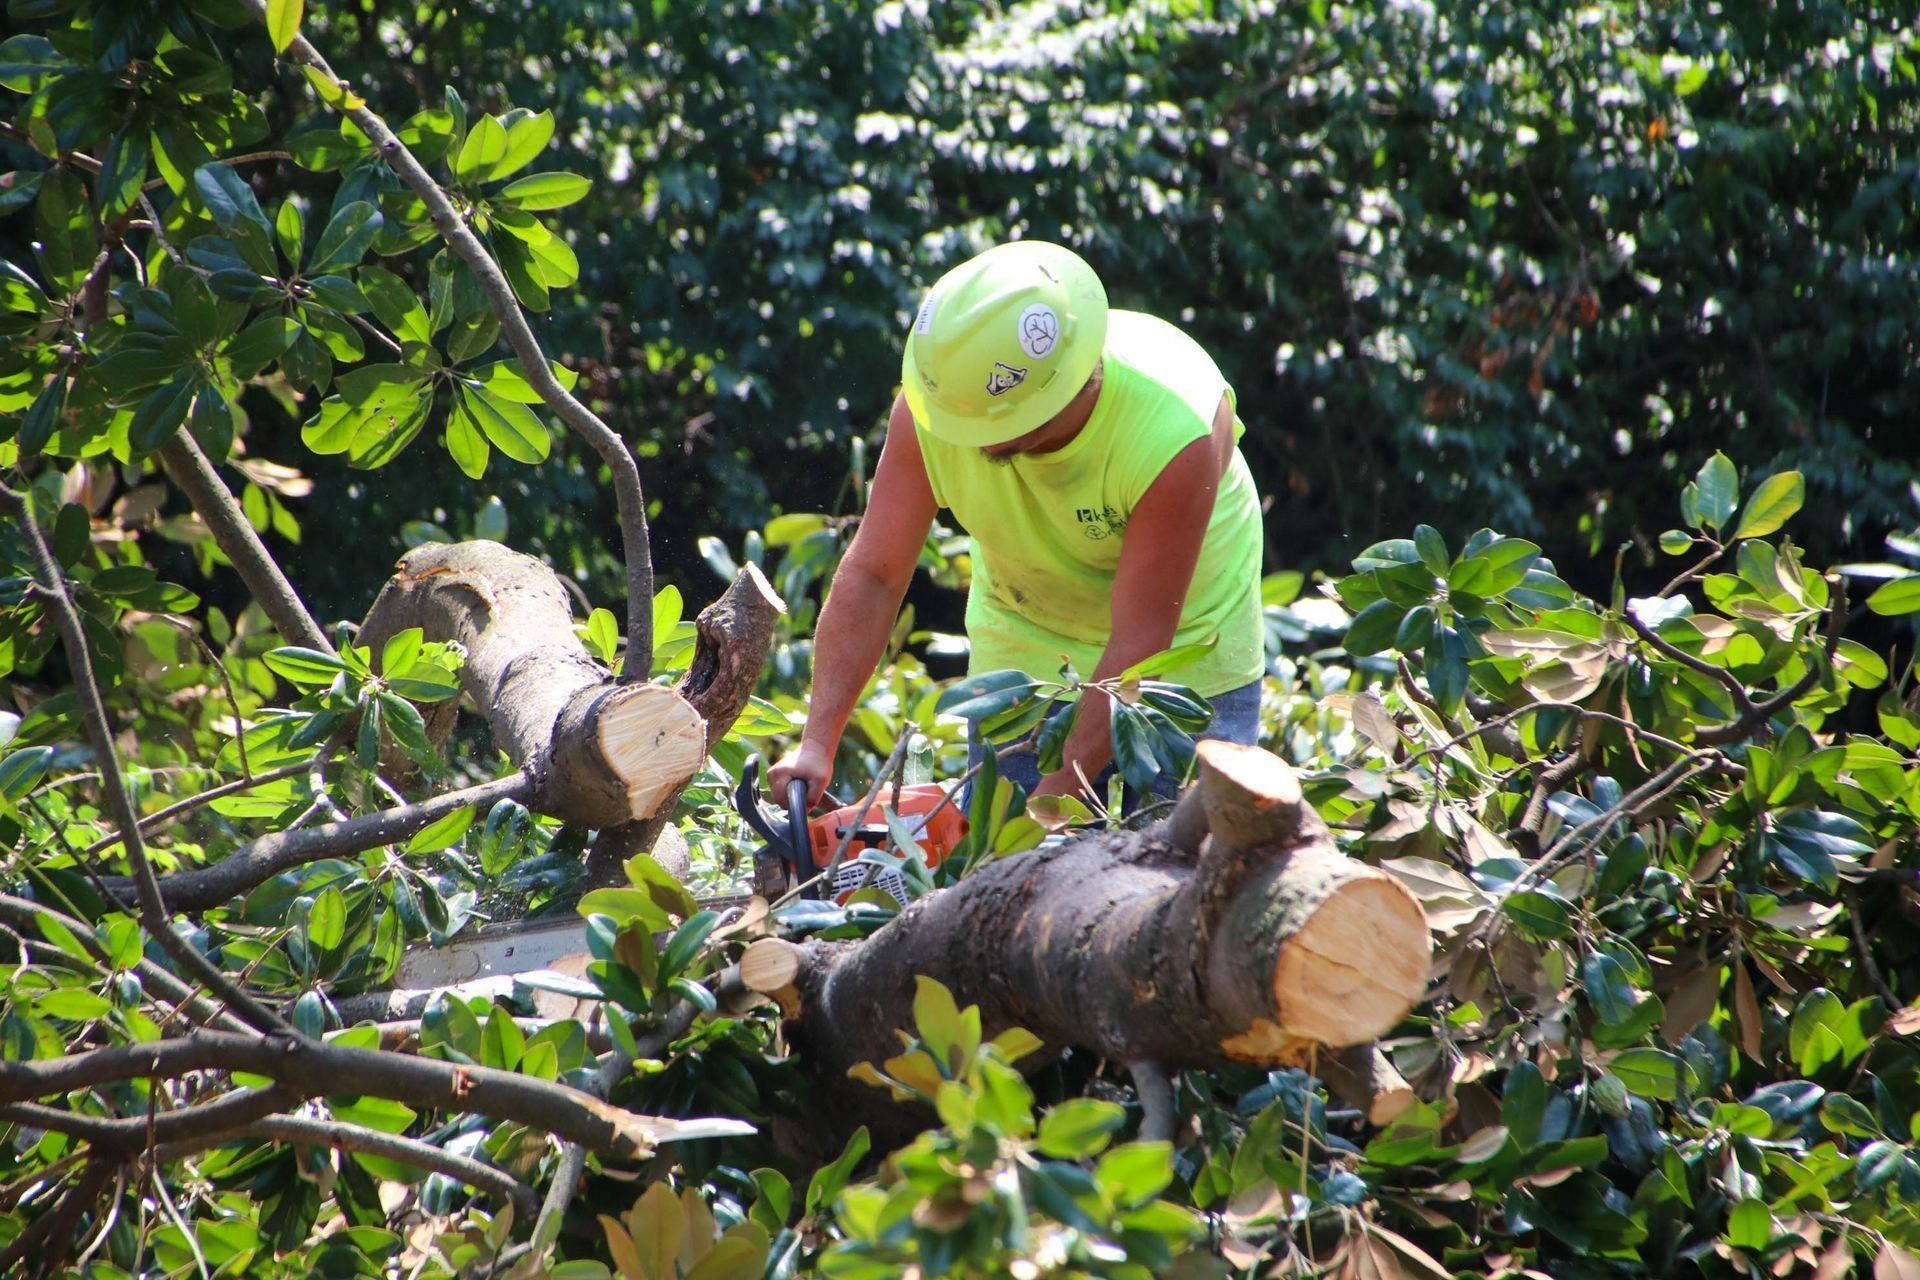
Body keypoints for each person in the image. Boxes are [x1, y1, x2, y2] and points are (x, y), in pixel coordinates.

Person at [770, 240, 1265, 810]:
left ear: (1047, 400)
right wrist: (815, 743)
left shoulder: (1175, 428)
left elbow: (1141, 641)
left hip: (1185, 662)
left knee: (1180, 873)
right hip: (1024, 660)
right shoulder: (943, 407)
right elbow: (873, 575)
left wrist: (1045, 813)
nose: (963, 440)